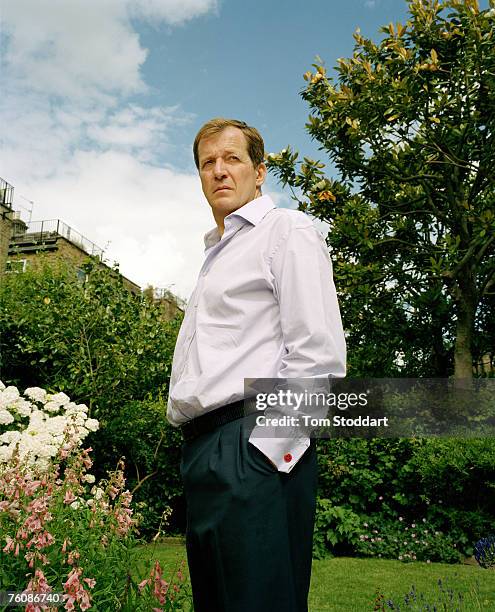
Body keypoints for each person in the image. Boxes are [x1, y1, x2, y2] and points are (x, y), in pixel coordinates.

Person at [167, 118, 346, 612]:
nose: (219, 171)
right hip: (203, 452)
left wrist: (263, 452)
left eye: (232, 159)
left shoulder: (287, 230)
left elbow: (318, 353)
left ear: (260, 171)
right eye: (208, 163)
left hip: (249, 446)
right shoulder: (215, 255)